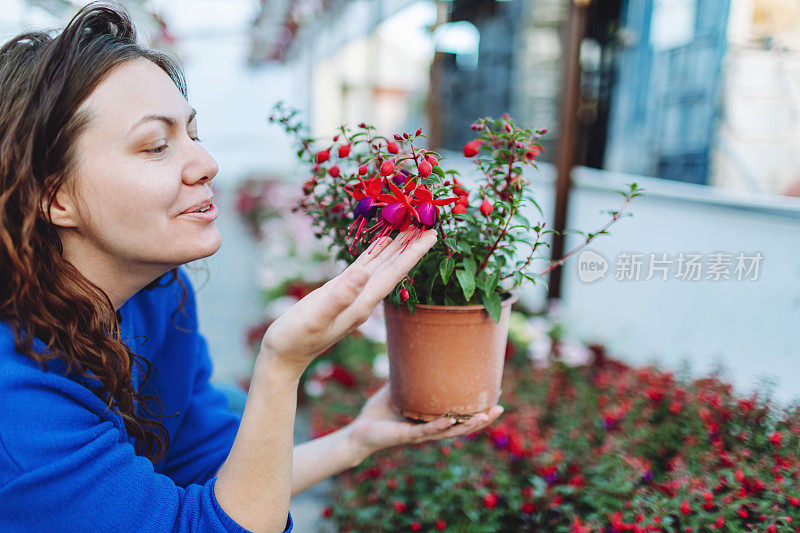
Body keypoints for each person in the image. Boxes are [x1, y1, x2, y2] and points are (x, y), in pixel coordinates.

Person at [0, 3, 504, 532]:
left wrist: (354, 440)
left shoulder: (158, 295)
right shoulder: (16, 404)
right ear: (55, 197)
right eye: (155, 146)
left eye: (193, 134)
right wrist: (281, 367)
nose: (207, 163)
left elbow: (217, 480)